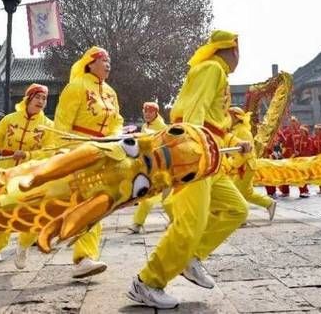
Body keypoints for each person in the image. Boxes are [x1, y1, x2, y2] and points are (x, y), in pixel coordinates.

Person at [127, 30, 250, 309]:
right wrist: (192, 150)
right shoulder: (210, 69)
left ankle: (191, 257)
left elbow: (213, 121)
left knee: (236, 209)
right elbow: (192, 112)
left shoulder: (216, 73)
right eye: (239, 49)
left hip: (212, 155)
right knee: (189, 224)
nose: (240, 56)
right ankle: (147, 282)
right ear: (230, 49)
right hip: (199, 156)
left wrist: (234, 141)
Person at [51, 46, 124, 278]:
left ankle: (85, 256)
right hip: (80, 150)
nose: (108, 63)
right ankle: (83, 257)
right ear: (89, 63)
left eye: (109, 60)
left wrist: (116, 136)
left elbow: (117, 120)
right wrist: (64, 152)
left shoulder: (111, 92)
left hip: (104, 151)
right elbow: (62, 123)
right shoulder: (75, 87)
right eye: (103, 59)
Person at [0, 83, 55, 266]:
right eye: (37, 97)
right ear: (28, 98)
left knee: (17, 212)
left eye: (44, 98)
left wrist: (29, 154)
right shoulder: (9, 119)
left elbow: (50, 151)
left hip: (30, 173)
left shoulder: (48, 126)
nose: (41, 101)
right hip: (6, 169)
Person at [227, 106, 276, 221]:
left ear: (235, 117)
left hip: (245, 166)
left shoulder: (242, 131)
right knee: (247, 193)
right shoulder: (235, 130)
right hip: (241, 166)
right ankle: (269, 203)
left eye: (229, 115)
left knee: (235, 192)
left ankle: (239, 219)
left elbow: (245, 153)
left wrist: (232, 164)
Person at [129, 102, 170, 234]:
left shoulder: (161, 127)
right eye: (145, 111)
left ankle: (176, 221)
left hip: (164, 169)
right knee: (151, 198)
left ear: (156, 113)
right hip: (152, 168)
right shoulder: (145, 126)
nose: (147, 114)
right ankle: (137, 223)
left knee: (166, 200)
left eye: (150, 112)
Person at [275, 117, 311, 198]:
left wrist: (300, 152)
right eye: (291, 121)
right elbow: (284, 143)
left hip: (298, 157)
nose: (292, 123)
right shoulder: (286, 132)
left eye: (294, 121)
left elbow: (305, 143)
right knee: (285, 173)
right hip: (288, 156)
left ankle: (304, 191)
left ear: (297, 122)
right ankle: (285, 191)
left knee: (299, 174)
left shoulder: (300, 131)